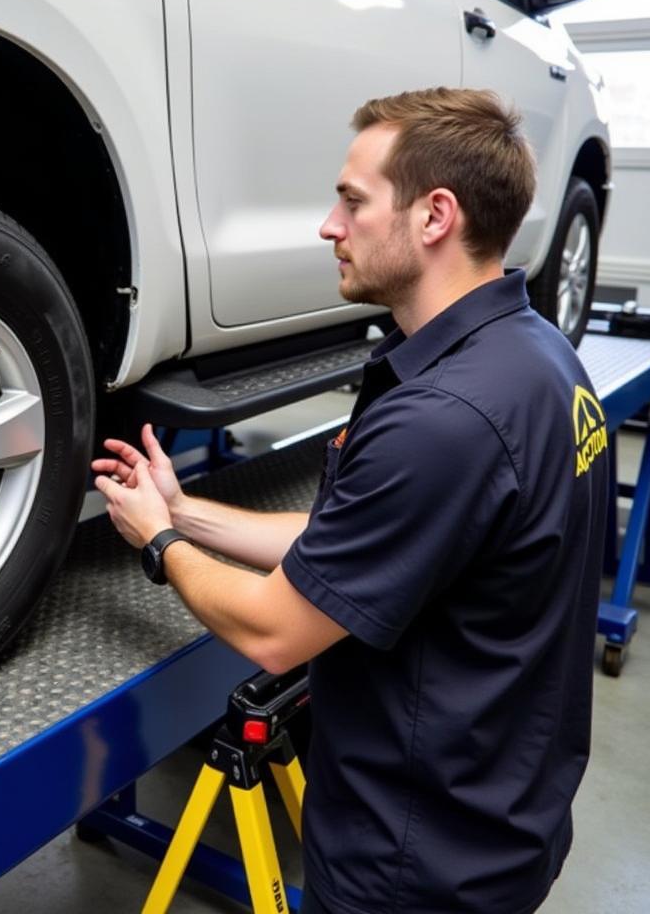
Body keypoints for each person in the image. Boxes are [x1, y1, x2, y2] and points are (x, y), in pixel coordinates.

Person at [92, 87, 609, 914]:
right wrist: (185, 509)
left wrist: (159, 544)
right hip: (503, 820)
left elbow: (273, 629)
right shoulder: (537, 356)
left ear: (435, 215)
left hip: (413, 862)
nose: (331, 227)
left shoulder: (444, 420)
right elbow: (366, 542)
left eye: (352, 201)